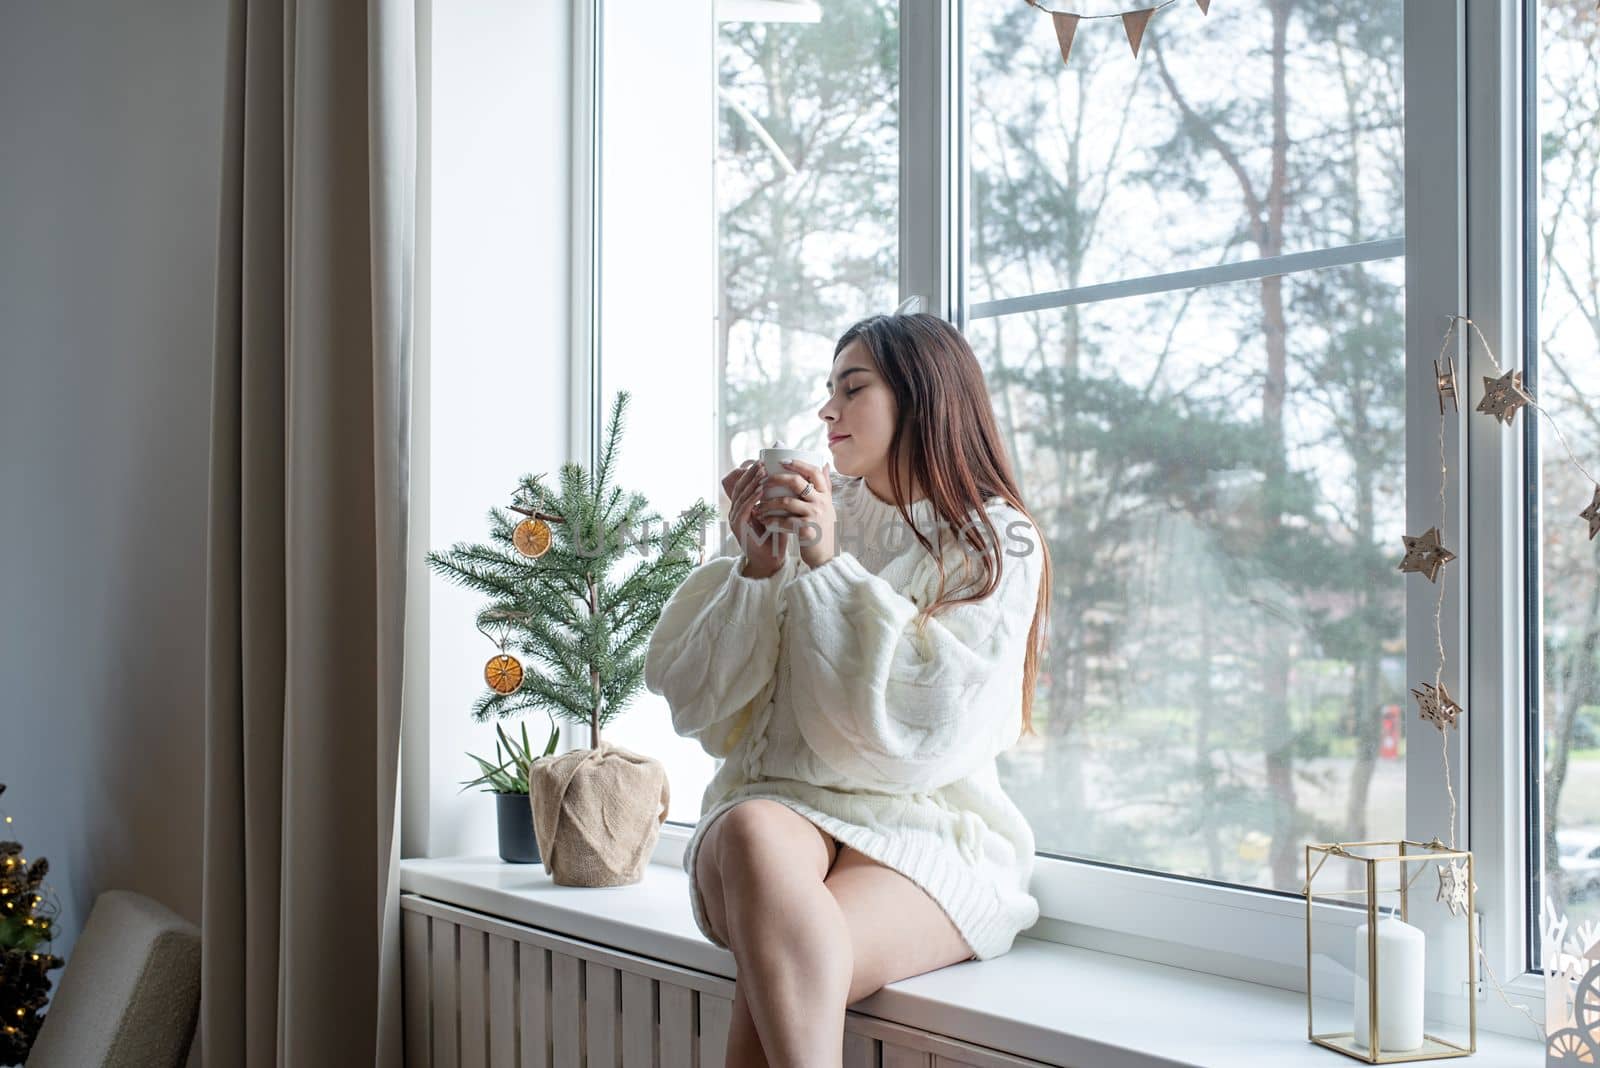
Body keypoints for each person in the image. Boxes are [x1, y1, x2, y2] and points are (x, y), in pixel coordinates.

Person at [643, 310, 1052, 1067]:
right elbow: (693, 699)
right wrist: (758, 570)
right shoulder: (805, 508)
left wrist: (830, 567)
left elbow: (925, 725)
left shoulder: (997, 540)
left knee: (782, 993)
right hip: (779, 822)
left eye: (851, 387)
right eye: (827, 390)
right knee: (751, 831)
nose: (827, 409)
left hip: (925, 829)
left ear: (922, 398)